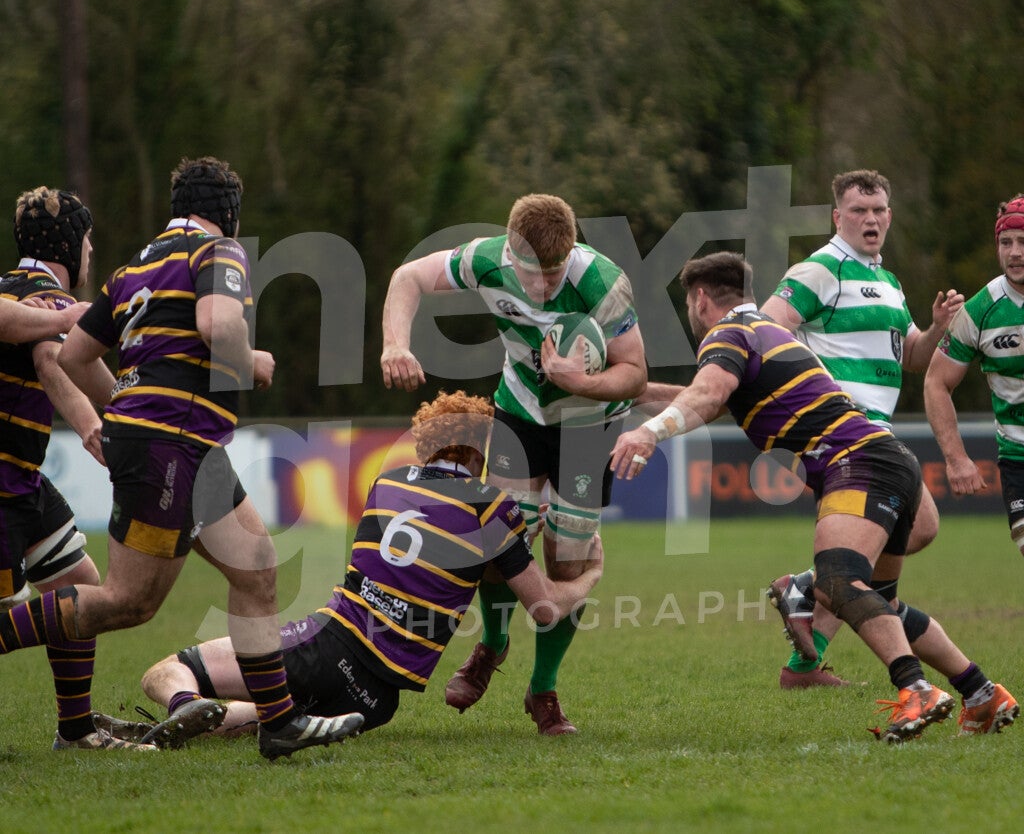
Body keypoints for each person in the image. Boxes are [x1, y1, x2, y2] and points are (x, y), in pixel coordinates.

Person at [0, 157, 362, 758]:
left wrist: (123, 412)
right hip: (172, 441)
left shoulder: (132, 269)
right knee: (129, 600)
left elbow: (74, 356)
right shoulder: (218, 251)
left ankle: (279, 723)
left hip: (187, 443)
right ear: (229, 212)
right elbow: (217, 325)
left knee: (257, 568)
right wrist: (252, 362)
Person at [612, 251, 1017, 740]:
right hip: (889, 457)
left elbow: (708, 395)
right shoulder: (771, 334)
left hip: (856, 465)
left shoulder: (726, 334)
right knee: (881, 602)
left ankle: (914, 688)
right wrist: (630, 391)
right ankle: (981, 692)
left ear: (700, 300)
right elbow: (710, 395)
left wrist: (648, 433)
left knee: (839, 580)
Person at [136, 390, 603, 743]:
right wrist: (588, 575)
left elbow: (439, 545)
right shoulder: (492, 509)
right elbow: (542, 606)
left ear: (425, 443)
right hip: (377, 699)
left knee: (167, 670)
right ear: (484, 451)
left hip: (328, 644)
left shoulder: (387, 482)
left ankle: (185, 702)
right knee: (265, 714)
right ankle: (200, 719)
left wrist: (509, 539)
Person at [381, 194, 645, 734]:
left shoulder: (602, 282)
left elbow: (636, 373)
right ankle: (492, 644)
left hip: (587, 426)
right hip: (520, 412)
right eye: (531, 273)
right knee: (499, 542)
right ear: (510, 252)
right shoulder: (486, 259)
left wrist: (581, 382)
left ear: (570, 252)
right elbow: (407, 277)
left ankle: (543, 689)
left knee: (566, 565)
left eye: (554, 273)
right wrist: (395, 346)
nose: (542, 287)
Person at [760, 169, 964, 689]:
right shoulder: (821, 269)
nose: (870, 220)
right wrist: (814, 388)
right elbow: (768, 324)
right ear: (838, 217)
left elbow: (912, 356)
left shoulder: (887, 281)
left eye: (877, 211)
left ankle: (805, 661)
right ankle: (805, 591)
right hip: (844, 432)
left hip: (872, 434)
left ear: (889, 216)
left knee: (896, 540)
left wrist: (937, 328)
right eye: (858, 211)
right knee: (915, 528)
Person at [0, 188, 132, 747]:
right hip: (3, 489)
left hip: (23, 483)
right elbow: (54, 363)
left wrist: (133, 406)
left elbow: (82, 369)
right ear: (70, 245)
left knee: (79, 585)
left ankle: (76, 731)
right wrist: (90, 426)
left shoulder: (16, 289)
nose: (92, 252)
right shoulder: (48, 299)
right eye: (88, 242)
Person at [926, 194, 1024, 557]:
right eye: (1006, 242)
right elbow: (936, 382)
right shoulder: (980, 311)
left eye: (1023, 242)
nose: (1014, 252)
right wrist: (956, 459)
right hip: (1018, 456)